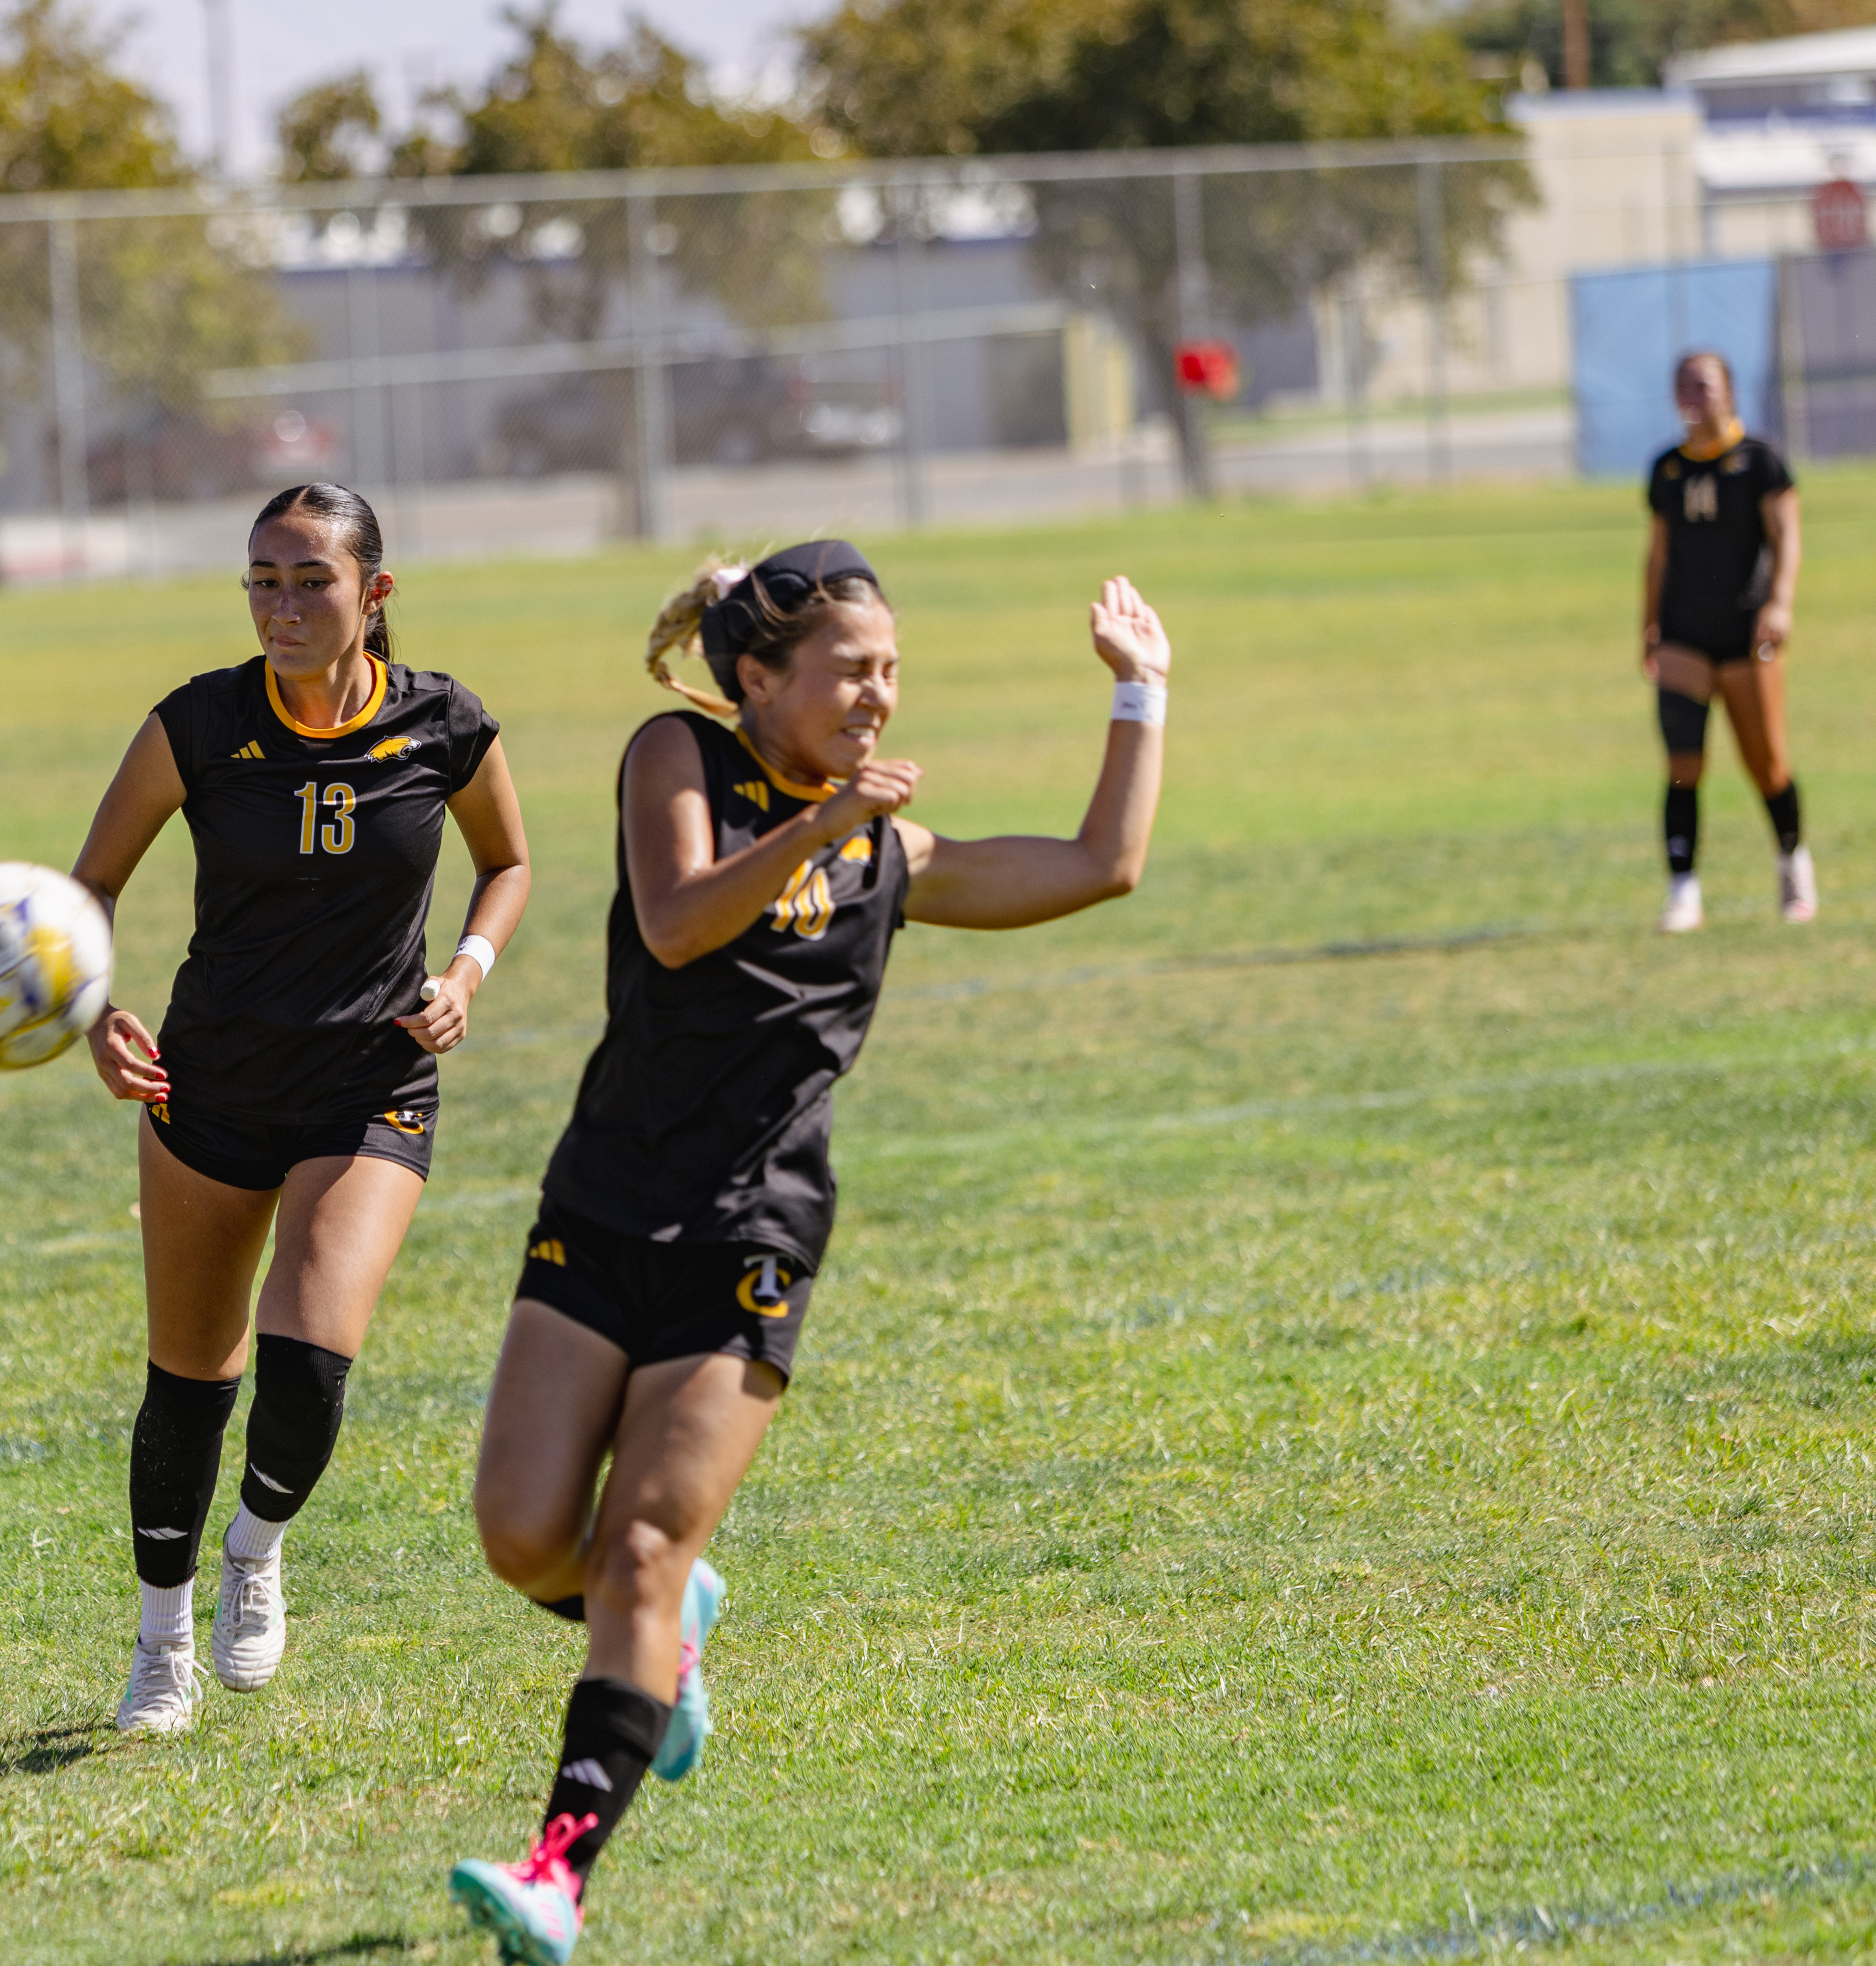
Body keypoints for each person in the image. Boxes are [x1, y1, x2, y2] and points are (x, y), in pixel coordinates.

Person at [444, 542, 1170, 1965]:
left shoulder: (889, 854)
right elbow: (678, 918)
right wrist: (828, 816)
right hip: (603, 1198)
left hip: (753, 1226)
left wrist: (1140, 695)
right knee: (525, 1534)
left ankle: (557, 1874)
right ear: (759, 678)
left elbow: (1102, 865)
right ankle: (666, 1628)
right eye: (852, 669)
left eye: (891, 670)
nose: (879, 695)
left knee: (642, 1545)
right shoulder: (680, 757)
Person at [66, 482, 532, 1735]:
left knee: (312, 1346)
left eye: (309, 579)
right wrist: (93, 1011)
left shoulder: (444, 720)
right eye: (261, 579)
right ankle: (160, 1643)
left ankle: (255, 1548)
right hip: (207, 1079)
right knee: (187, 1381)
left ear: (371, 593)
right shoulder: (200, 722)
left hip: (368, 1079)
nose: (280, 604)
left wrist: (468, 971)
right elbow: (91, 882)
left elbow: (509, 860)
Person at [1642, 348, 1807, 932]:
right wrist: (1649, 625)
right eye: (1684, 386)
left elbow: (1788, 535)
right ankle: (1683, 889)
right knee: (1683, 763)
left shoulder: (1760, 461)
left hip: (1747, 629)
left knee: (1766, 764)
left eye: (1704, 385)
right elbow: (1659, 554)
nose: (1694, 396)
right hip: (1685, 633)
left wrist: (1781, 602)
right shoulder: (1666, 470)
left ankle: (1792, 861)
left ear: (1729, 391)